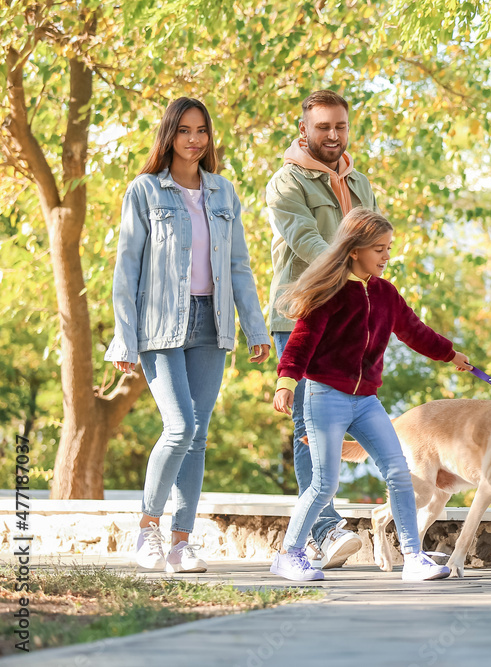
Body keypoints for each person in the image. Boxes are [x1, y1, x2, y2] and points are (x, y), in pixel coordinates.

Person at [106, 97, 271, 573]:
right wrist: (124, 338)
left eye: (201, 131)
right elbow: (126, 270)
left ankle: (181, 542)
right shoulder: (145, 191)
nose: (194, 140)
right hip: (160, 324)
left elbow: (239, 267)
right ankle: (146, 530)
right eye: (184, 131)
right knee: (179, 427)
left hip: (212, 322)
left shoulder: (223, 193)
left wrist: (254, 328)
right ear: (169, 135)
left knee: (198, 437)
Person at [270, 207, 472, 582]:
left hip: (365, 401)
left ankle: (412, 558)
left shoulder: (385, 294)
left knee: (399, 471)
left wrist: (450, 354)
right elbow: (301, 341)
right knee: (324, 483)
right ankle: (289, 554)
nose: (386, 256)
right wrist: (286, 381)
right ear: (354, 250)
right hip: (324, 395)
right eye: (378, 248)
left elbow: (414, 331)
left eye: (389, 247)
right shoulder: (329, 293)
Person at [266, 90, 377, 568]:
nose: (333, 135)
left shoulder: (360, 182)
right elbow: (307, 242)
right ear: (304, 129)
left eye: (340, 127)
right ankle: (326, 529)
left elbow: (375, 243)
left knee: (349, 419)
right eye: (323, 127)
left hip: (351, 318)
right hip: (302, 316)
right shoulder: (286, 182)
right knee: (309, 424)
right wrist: (353, 260)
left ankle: (313, 534)